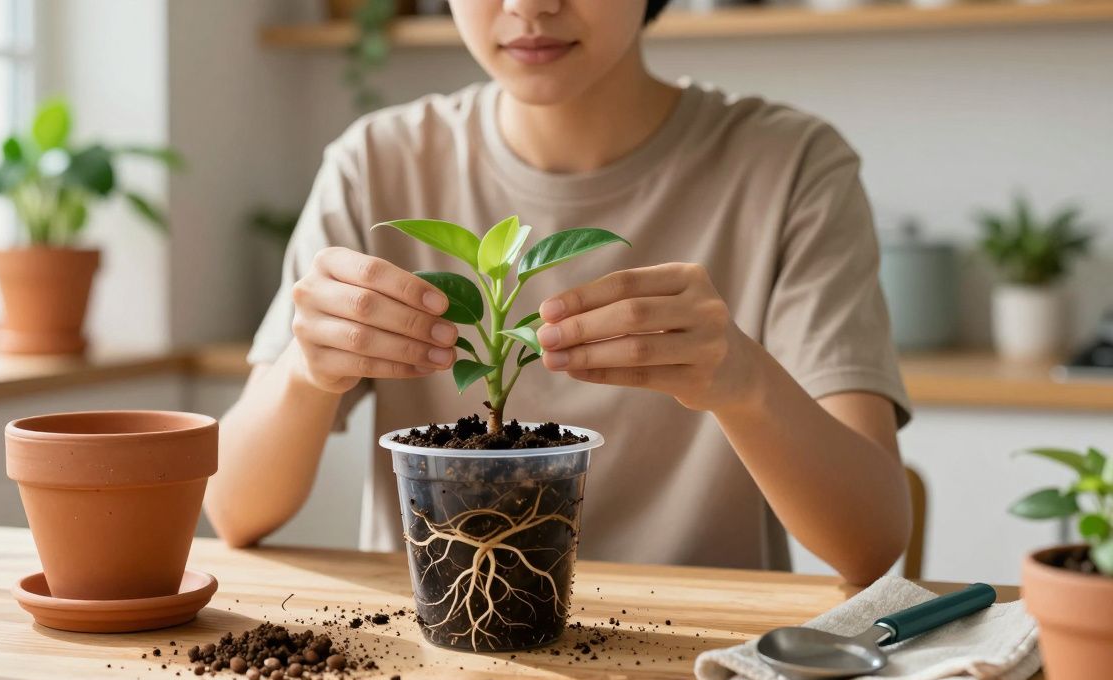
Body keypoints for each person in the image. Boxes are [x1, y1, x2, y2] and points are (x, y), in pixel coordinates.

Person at [205, 0, 911, 585]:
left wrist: (745, 381)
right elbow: (233, 508)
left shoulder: (790, 169)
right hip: (437, 656)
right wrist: (306, 373)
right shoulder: (377, 164)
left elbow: (871, 541)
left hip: (700, 669)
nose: (528, 8)